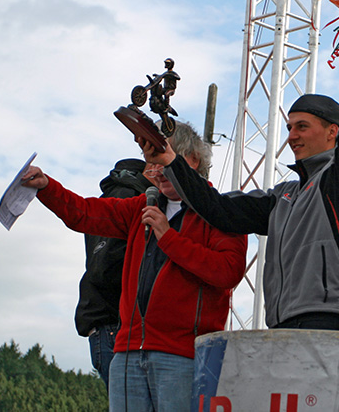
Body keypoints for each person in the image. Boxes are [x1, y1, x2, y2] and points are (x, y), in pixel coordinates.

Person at [139, 53, 339, 332]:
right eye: (289, 128)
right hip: (279, 324)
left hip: (324, 321)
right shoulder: (281, 197)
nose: (291, 136)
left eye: (302, 126)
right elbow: (217, 208)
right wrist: (170, 161)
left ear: (333, 132)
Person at [21, 122, 247, 412]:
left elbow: (227, 271)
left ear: (192, 161)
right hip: (127, 353)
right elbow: (86, 214)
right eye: (152, 163)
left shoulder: (222, 209)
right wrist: (47, 187)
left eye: (164, 160)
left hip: (183, 356)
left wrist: (169, 238)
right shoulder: (141, 205)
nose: (156, 170)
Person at [75, 159, 151, 390]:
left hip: (111, 324)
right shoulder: (124, 195)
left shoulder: (118, 195)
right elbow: (104, 264)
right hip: (114, 323)